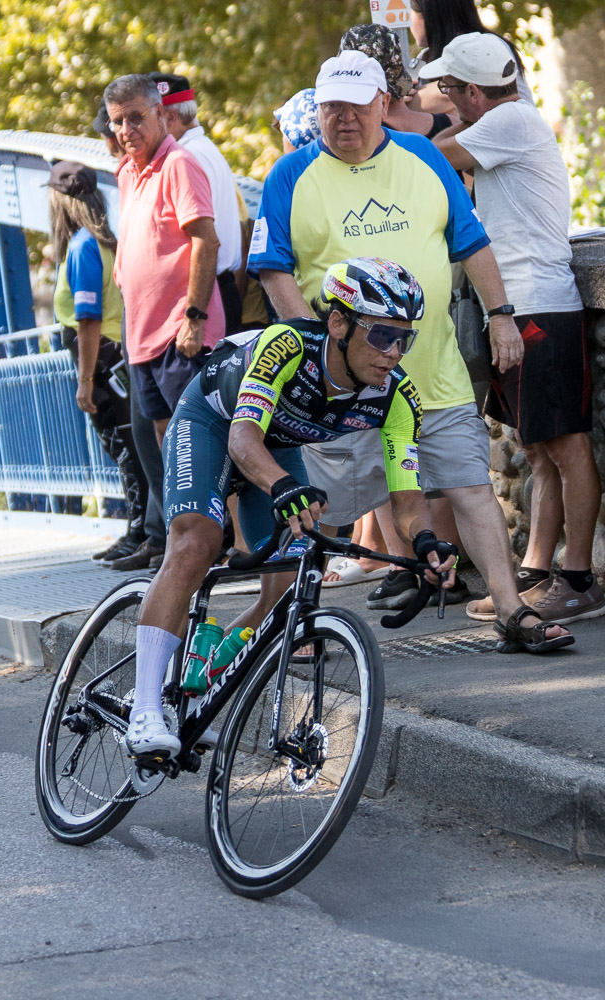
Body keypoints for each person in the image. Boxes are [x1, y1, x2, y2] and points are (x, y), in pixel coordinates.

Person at [250, 50, 573, 652]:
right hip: (340, 386)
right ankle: (283, 622)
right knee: (312, 508)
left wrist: (502, 316)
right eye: (331, 107)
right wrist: (316, 350)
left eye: (356, 106)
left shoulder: (423, 155)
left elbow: (470, 241)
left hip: (432, 372)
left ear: (383, 103)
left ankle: (511, 612)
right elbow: (274, 269)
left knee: (470, 487)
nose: (344, 118)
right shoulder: (290, 174)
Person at [125, 258, 460, 757]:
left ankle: (200, 679)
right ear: (339, 323)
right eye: (382, 335)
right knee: (198, 541)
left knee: (287, 586)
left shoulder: (396, 398)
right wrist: (283, 487)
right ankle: (145, 706)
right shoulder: (288, 346)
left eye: (403, 340)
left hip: (276, 447)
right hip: (214, 422)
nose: (393, 352)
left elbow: (407, 501)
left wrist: (426, 544)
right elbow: (242, 440)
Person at [423, 33, 605, 623]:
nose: (445, 98)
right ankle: (537, 570)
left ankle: (579, 579)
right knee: (538, 449)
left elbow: (433, 156)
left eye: (449, 88)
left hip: (539, 308)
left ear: (475, 92)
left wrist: (426, 117)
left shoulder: (510, 121)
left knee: (565, 445)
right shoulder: (502, 121)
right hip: (525, 306)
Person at [103, 73, 226, 572]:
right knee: (164, 440)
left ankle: (218, 542)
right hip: (143, 337)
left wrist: (194, 317)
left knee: (200, 438)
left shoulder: (179, 163)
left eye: (136, 117)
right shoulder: (126, 173)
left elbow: (206, 241)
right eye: (117, 122)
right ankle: (185, 542)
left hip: (180, 331)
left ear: (161, 113)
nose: (126, 130)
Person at [47, 159, 149, 565]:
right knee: (133, 446)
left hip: (103, 361)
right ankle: (142, 529)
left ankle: (140, 532)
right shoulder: (109, 242)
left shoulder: (82, 247)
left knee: (123, 447)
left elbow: (87, 319)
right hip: (120, 355)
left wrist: (85, 380)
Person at [150, 73, 246, 328]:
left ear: (170, 117)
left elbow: (204, 240)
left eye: (151, 117)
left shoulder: (186, 157)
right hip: (218, 289)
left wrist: (194, 313)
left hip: (205, 296)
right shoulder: (205, 149)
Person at [407, 0, 535, 113]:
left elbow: (451, 94)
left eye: (409, 13)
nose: (408, 23)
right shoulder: (423, 58)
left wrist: (401, 98)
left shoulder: (485, 46)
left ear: (428, 14)